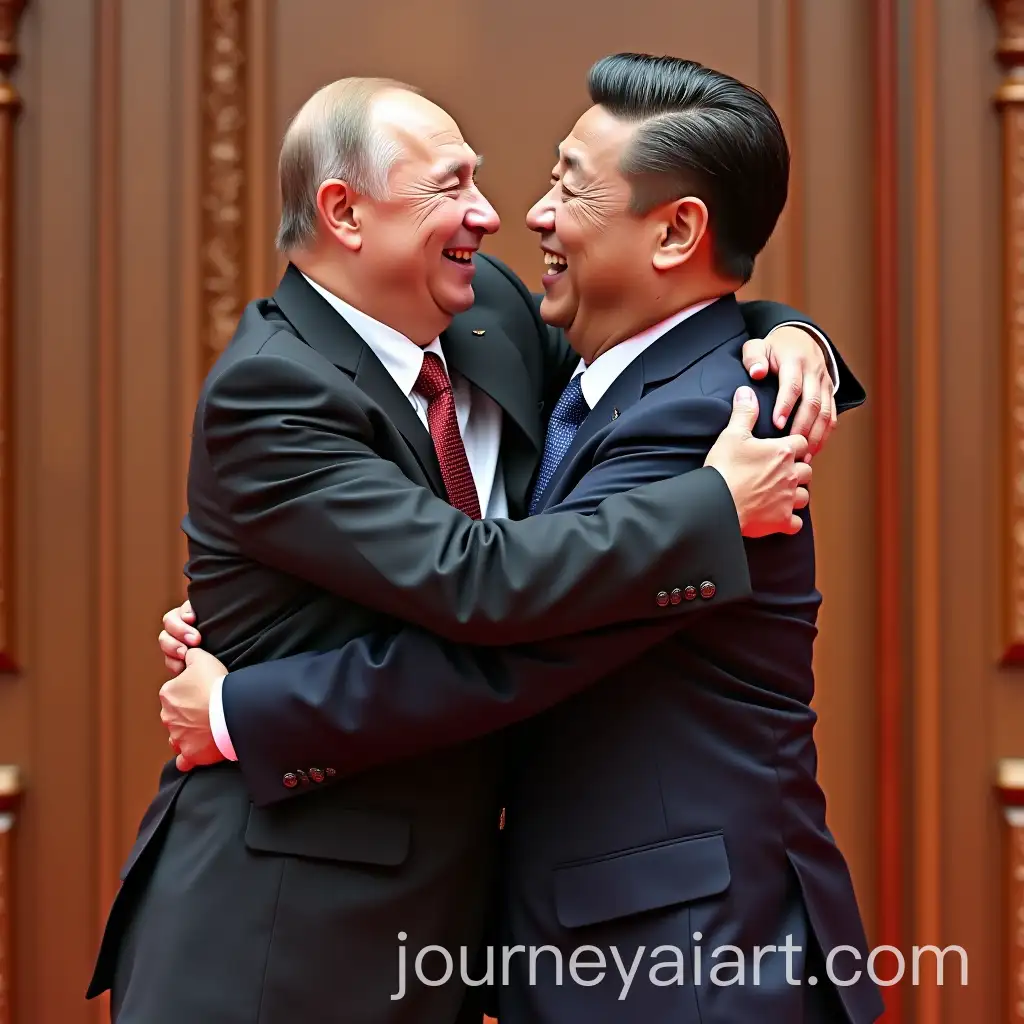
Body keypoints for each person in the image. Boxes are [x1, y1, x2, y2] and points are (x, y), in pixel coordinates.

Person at [91, 74, 857, 1024]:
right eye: (451, 186)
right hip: (277, 931)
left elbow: (679, 321)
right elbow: (480, 584)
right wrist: (712, 505)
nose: (500, 216)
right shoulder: (271, 392)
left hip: (524, 940)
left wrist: (788, 335)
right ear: (346, 212)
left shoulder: (486, 311)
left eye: (560, 187)